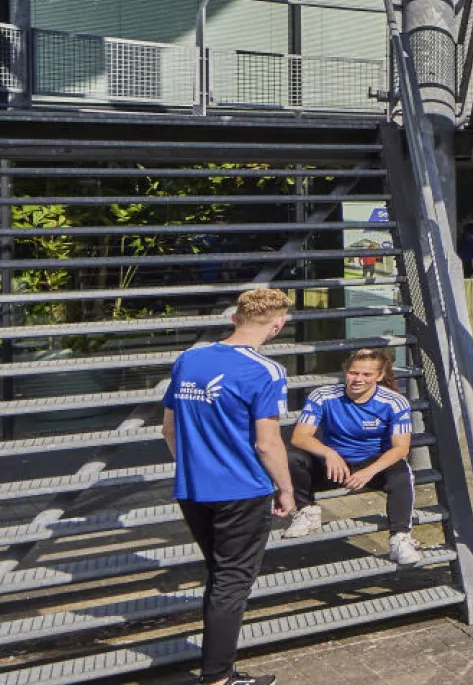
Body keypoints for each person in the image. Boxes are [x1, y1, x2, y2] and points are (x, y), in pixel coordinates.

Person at [160, 287, 297, 685]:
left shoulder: (189, 359)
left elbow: (169, 429)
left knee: (221, 577)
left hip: (193, 489)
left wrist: (195, 466)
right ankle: (218, 678)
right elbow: (267, 444)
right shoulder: (267, 371)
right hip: (242, 491)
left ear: (234, 319)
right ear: (278, 325)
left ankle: (220, 671)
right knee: (232, 583)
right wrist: (287, 489)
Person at [283, 349, 421, 564]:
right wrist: (328, 453)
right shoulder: (323, 396)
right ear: (345, 371)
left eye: (367, 374)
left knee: (401, 473)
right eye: (353, 373)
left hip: (373, 463)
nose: (358, 379)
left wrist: (369, 471)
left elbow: (401, 448)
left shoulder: (394, 402)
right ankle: (307, 510)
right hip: (335, 465)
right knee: (293, 458)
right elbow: (299, 437)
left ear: (380, 376)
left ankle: (400, 538)